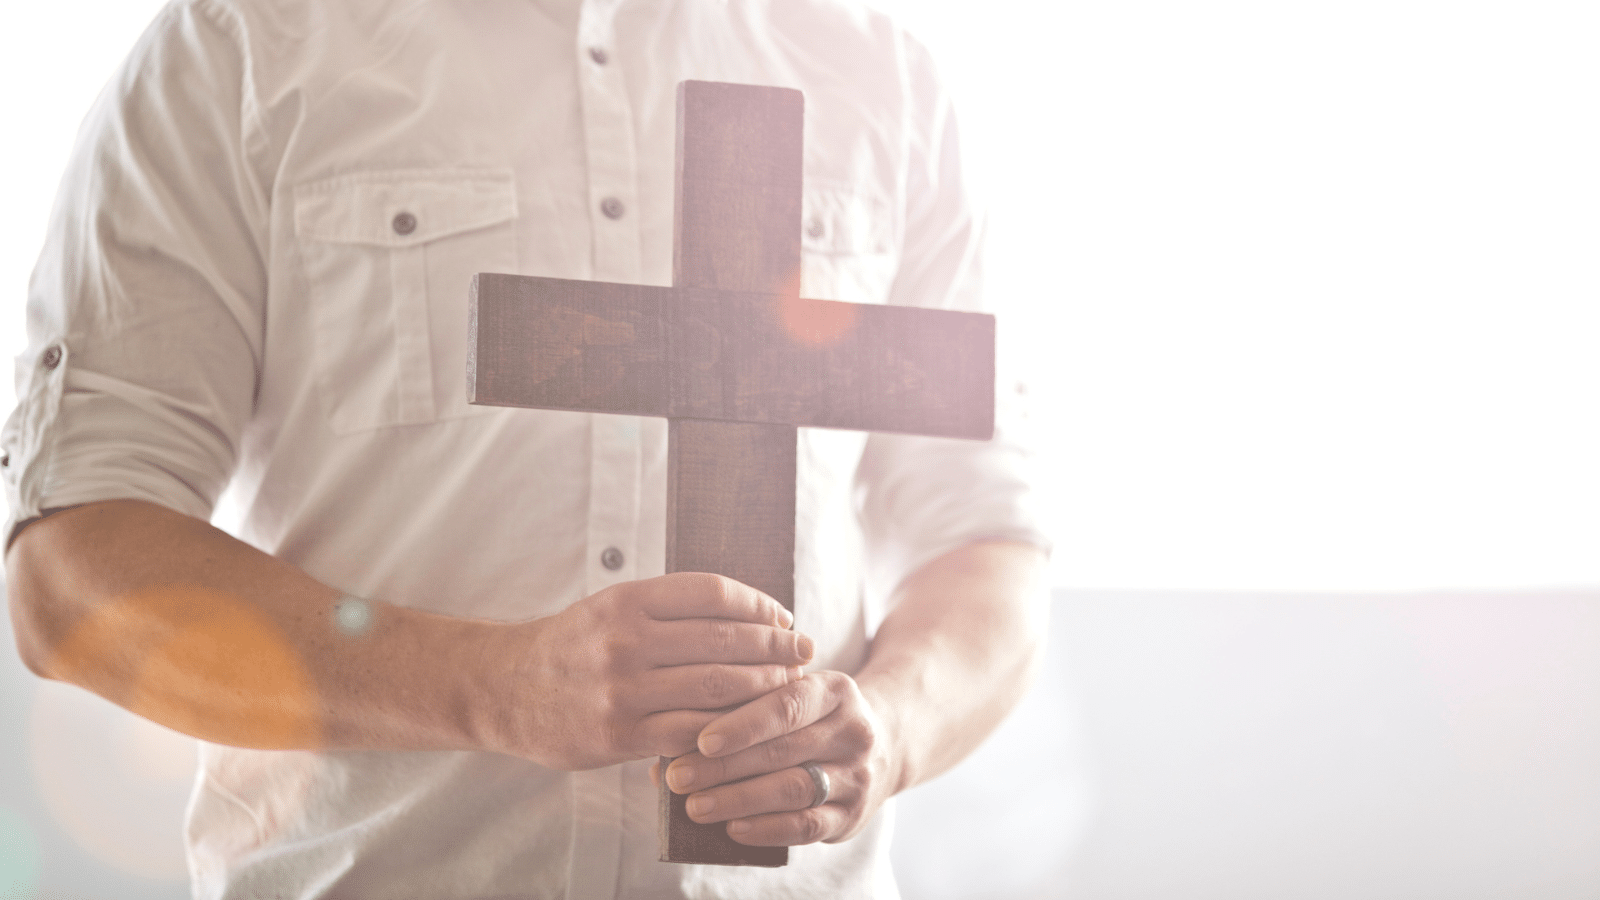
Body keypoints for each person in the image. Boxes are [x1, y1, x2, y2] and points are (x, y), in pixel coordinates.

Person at [3, 0, 1049, 896]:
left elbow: (985, 538)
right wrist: (490, 685)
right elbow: (71, 573)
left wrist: (890, 731)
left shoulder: (883, 73)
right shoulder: (250, 44)